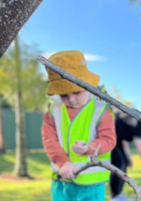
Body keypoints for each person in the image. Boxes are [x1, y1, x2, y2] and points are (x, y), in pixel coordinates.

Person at [41, 50, 116, 201]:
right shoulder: (53, 111)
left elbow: (108, 140)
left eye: (76, 92)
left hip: (92, 185)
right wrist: (63, 163)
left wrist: (89, 147)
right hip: (61, 182)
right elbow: (50, 141)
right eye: (64, 95)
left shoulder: (101, 110)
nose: (72, 99)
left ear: (87, 86)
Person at [110, 110, 141, 201]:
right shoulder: (139, 125)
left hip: (117, 139)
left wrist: (128, 157)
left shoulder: (136, 118)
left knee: (123, 163)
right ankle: (115, 197)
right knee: (120, 164)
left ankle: (118, 194)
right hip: (109, 137)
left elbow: (122, 137)